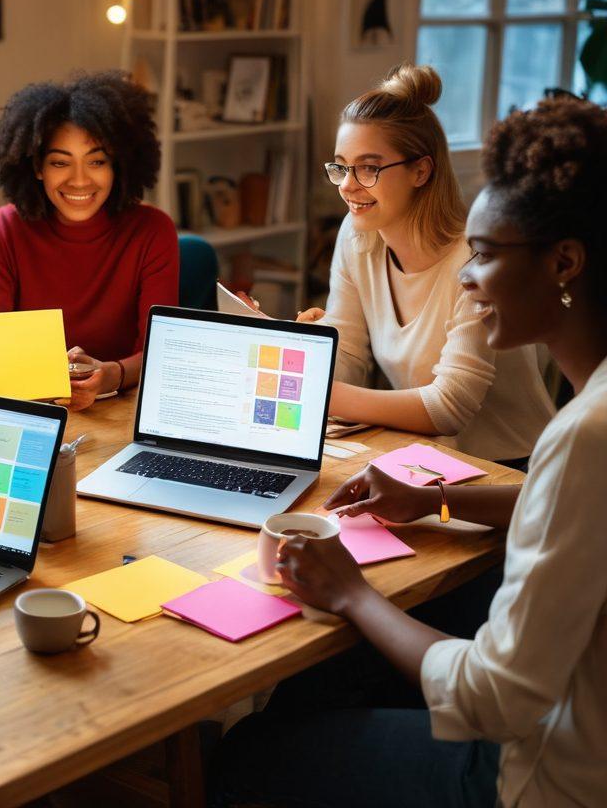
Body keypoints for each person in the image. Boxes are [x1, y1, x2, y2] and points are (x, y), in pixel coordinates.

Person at [212, 94, 607, 807]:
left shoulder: (584, 437)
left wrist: (352, 593)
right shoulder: (590, 423)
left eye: (484, 257)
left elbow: (490, 700)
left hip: (535, 778)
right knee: (317, 682)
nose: (463, 278)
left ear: (565, 264)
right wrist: (439, 500)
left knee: (247, 749)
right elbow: (566, 506)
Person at [299, 64, 553, 463]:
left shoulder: (475, 261)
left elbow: (449, 407)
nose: (348, 185)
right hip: (426, 461)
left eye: (368, 167)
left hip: (509, 469)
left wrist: (329, 395)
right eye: (341, 166)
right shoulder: (358, 234)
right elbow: (347, 351)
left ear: (421, 170)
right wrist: (307, 354)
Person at [0, 71, 178, 410]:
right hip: (31, 406)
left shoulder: (152, 231)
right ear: (37, 167)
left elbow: (162, 352)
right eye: (60, 163)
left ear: (118, 166)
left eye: (97, 161)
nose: (80, 180)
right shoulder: (6, 228)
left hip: (124, 409)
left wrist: (109, 375)